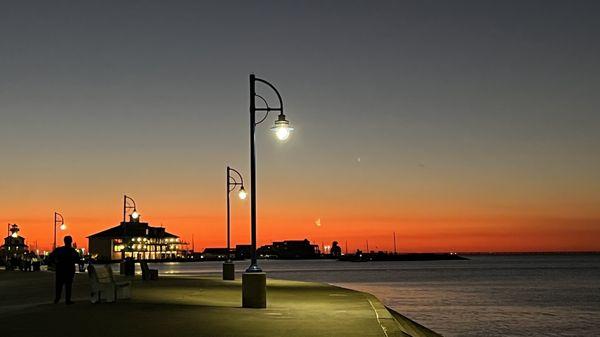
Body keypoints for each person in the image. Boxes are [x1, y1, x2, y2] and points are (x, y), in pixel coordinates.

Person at [49, 236, 80, 304]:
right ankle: (67, 300)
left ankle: (57, 298)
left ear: (64, 241)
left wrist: (55, 263)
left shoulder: (59, 250)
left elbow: (50, 256)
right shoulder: (72, 250)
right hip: (69, 270)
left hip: (60, 270)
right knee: (68, 286)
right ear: (71, 241)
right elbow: (78, 259)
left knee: (59, 285)